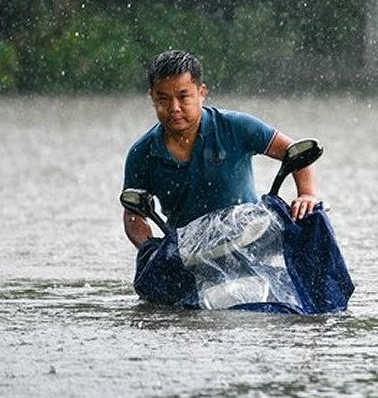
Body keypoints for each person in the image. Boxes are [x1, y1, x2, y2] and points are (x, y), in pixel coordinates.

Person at [122, 50, 318, 249]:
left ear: (201, 93)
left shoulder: (237, 127)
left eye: (183, 97)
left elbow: (295, 153)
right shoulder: (141, 153)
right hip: (190, 254)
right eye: (163, 99)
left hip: (248, 240)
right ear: (152, 97)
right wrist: (150, 247)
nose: (174, 108)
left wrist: (307, 194)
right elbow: (132, 215)